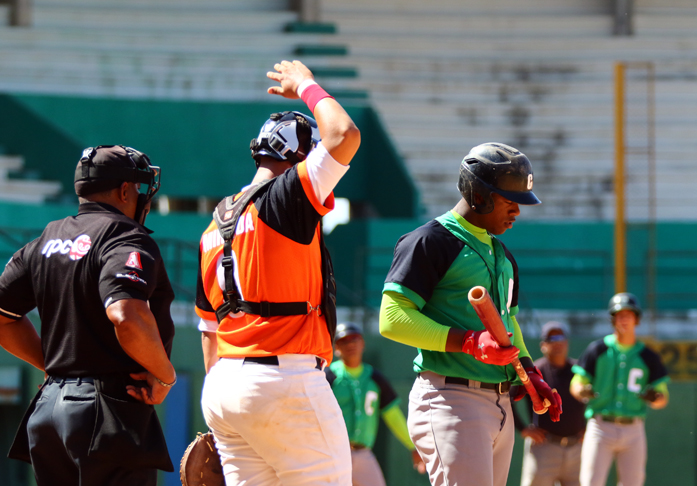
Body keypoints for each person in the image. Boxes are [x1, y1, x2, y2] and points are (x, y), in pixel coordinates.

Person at [195, 60, 361, 486]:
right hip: (283, 381)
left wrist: (226, 403)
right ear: (299, 156)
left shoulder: (214, 225)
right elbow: (344, 134)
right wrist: (306, 84)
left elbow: (208, 327)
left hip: (224, 387)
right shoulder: (284, 198)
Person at [379, 142, 562, 486]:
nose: (517, 212)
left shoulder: (503, 255)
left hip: (500, 402)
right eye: (510, 201)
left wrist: (529, 370)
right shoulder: (429, 241)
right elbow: (392, 318)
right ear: (479, 194)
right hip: (451, 399)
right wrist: (467, 342)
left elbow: (509, 324)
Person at [0, 145, 176, 485]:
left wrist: (58, 369)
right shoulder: (124, 236)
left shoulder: (44, 240)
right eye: (138, 189)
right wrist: (164, 374)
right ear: (125, 190)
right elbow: (126, 314)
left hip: (49, 410)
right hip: (106, 415)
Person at [571, 292, 669, 486]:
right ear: (612, 320)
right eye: (619, 315)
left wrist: (655, 397)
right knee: (590, 482)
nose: (624, 320)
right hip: (600, 427)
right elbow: (575, 384)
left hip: (634, 429)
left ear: (637, 320)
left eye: (629, 315)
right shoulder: (598, 349)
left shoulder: (647, 356)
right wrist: (581, 390)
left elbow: (663, 398)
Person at [325, 323, 426, 486]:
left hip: (363, 453)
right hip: (332, 454)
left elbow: (393, 415)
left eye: (354, 339)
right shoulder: (328, 377)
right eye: (344, 341)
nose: (350, 344)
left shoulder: (374, 377)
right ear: (336, 347)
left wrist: (413, 446)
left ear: (363, 343)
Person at [512, 321, 586, 486]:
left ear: (567, 342)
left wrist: (587, 426)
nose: (557, 342)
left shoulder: (578, 370)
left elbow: (592, 397)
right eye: (551, 339)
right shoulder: (535, 372)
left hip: (576, 448)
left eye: (560, 337)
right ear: (543, 345)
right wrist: (523, 429)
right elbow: (510, 400)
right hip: (544, 447)